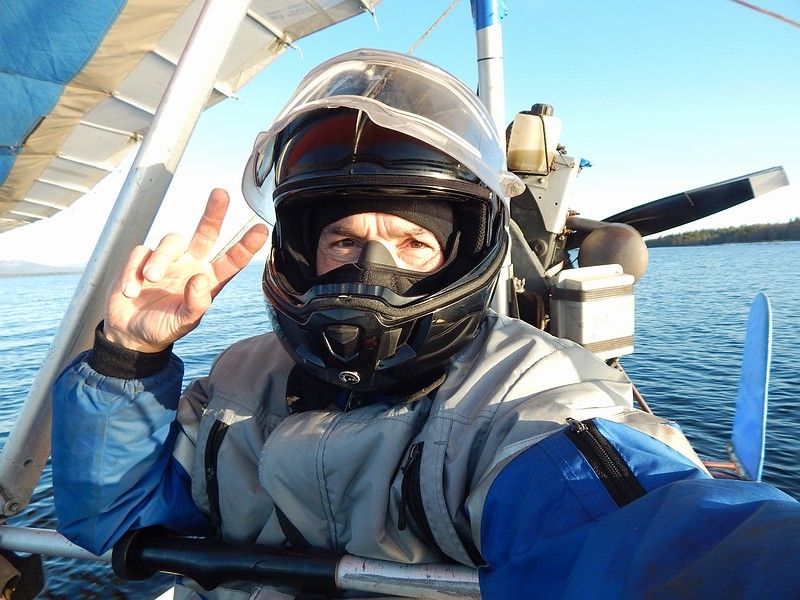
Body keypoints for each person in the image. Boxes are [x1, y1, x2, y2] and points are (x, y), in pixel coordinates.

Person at [51, 49, 800, 599]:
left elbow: (650, 538)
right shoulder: (242, 379)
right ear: (304, 254)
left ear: (459, 257)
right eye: (344, 239)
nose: (371, 267)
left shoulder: (521, 395)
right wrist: (129, 357)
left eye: (413, 243)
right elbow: (113, 519)